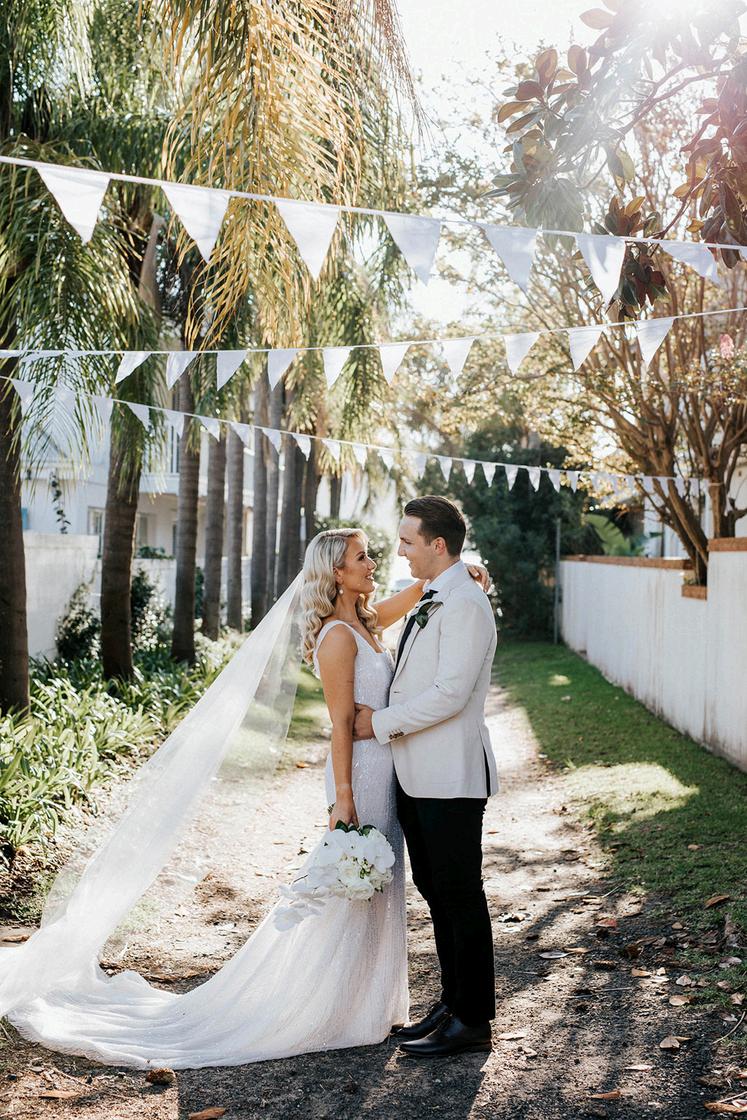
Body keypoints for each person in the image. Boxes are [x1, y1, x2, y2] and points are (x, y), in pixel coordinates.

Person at [1, 522, 490, 1068]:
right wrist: (344, 797)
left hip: (387, 769)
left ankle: (369, 1003)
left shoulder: (368, 621)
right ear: (336, 572)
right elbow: (338, 726)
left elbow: (421, 591)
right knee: (350, 890)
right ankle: (328, 1007)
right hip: (361, 776)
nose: (373, 562)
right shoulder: (336, 636)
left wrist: (461, 573)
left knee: (377, 888)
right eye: (362, 557)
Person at [353, 496, 498, 1058]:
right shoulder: (437, 593)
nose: (400, 551)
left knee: (460, 894)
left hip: (450, 776)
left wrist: (379, 723)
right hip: (417, 776)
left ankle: (473, 1021)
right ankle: (452, 1003)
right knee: (437, 891)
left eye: (408, 541)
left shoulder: (465, 603)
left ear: (438, 544)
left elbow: (450, 694)